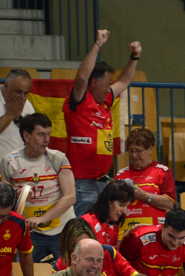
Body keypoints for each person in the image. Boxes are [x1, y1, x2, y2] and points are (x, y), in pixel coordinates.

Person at [67, 30, 141, 216]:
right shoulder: (79, 101)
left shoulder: (106, 100)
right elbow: (82, 77)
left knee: (98, 227)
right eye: (107, 84)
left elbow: (124, 81)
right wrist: (98, 45)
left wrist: (135, 56)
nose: (110, 87)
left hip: (102, 180)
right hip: (81, 182)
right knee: (79, 227)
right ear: (94, 82)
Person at [0, 113, 77, 262]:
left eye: (48, 134)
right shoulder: (9, 162)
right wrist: (14, 192)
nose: (46, 140)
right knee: (24, 275)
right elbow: (1, 192)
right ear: (26, 136)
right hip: (30, 233)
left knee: (68, 274)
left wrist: (43, 218)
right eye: (41, 134)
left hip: (62, 231)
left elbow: (70, 196)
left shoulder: (58, 158)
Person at [114, 127, 176, 231]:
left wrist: (145, 196)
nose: (134, 155)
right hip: (125, 230)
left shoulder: (162, 171)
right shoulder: (121, 174)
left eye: (138, 151)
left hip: (153, 229)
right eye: (130, 150)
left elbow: (169, 203)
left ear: (150, 149)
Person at [55, 218, 139, 276]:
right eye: (76, 246)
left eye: (87, 244)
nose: (83, 250)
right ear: (67, 246)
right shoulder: (61, 265)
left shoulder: (109, 253)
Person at [82, 179, 134, 247]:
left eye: (127, 206)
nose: (125, 211)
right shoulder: (87, 222)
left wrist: (125, 238)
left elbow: (112, 255)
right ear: (108, 202)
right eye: (121, 205)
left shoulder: (113, 225)